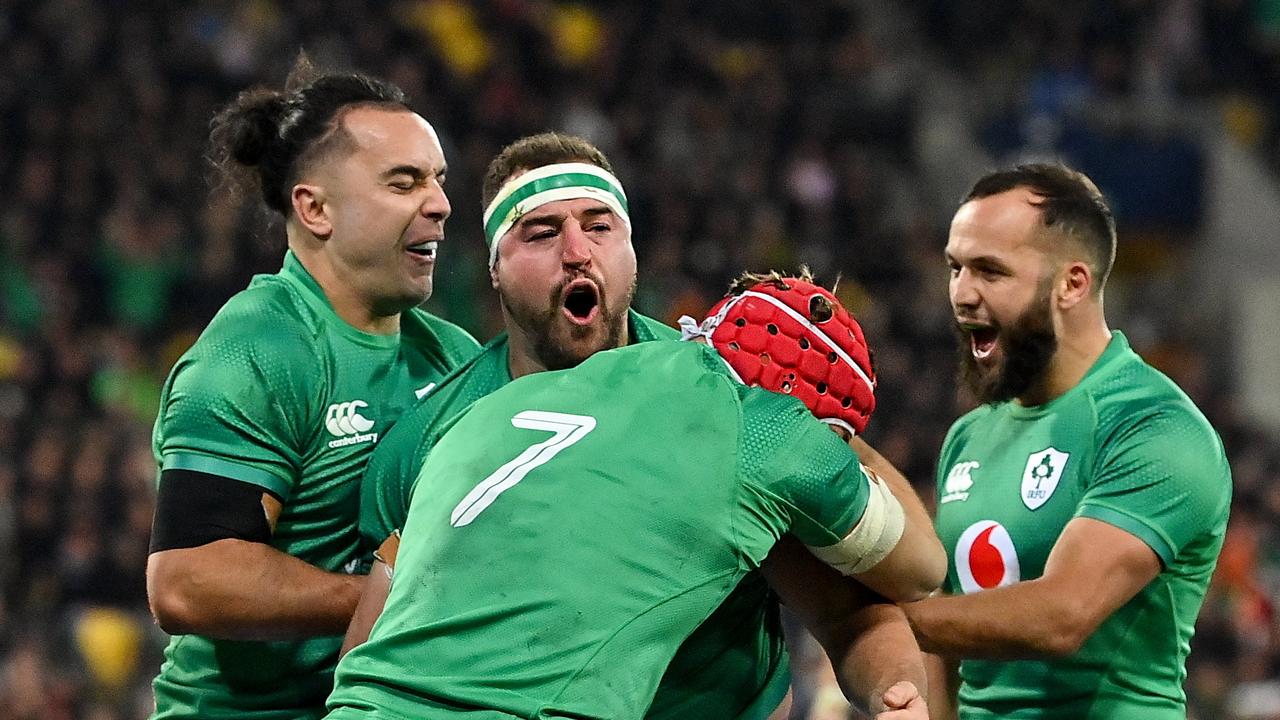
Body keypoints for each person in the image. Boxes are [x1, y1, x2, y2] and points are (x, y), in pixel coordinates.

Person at [339, 133, 938, 719]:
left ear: (632, 250)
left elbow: (847, 612)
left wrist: (895, 691)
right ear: (493, 268)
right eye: (542, 233)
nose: (577, 251)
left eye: (600, 227)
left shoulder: (721, 395)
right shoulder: (430, 436)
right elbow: (379, 641)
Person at [144, 57, 479, 720]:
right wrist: (389, 596)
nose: (439, 204)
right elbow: (187, 581)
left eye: (437, 181)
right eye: (403, 182)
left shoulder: (455, 358)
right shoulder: (257, 352)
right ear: (316, 207)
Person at [902, 164, 1232, 719]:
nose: (961, 294)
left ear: (1072, 284)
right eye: (955, 268)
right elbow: (952, 630)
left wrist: (885, 621)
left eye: (990, 271)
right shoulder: (969, 436)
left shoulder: (1152, 426)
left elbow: (1063, 614)